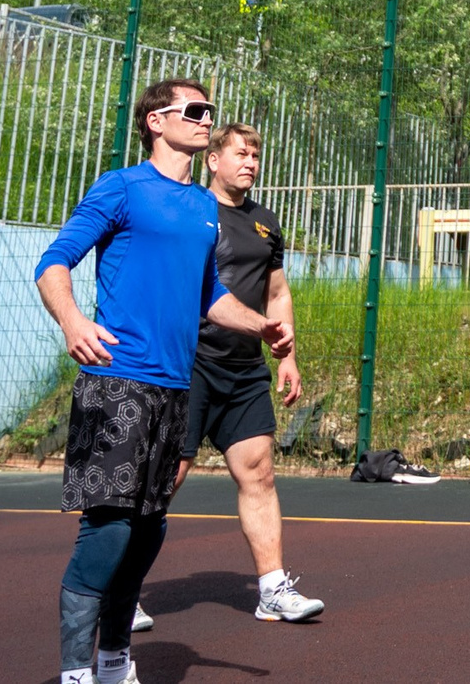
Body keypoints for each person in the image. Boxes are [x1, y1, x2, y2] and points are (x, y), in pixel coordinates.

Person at [35, 80, 285, 684]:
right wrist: (73, 321)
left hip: (175, 389)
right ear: (155, 121)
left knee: (148, 530)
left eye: (209, 112)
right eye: (194, 111)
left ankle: (114, 661)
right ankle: (75, 671)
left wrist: (262, 326)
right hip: (118, 382)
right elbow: (53, 262)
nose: (206, 120)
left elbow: (209, 294)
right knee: (109, 529)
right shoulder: (121, 187)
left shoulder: (203, 207)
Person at [168, 124, 322, 625]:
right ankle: (123, 593)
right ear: (213, 160)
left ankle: (272, 590)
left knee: (259, 472)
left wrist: (288, 357)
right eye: (241, 153)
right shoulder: (189, 211)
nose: (251, 163)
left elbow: (277, 293)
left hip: (245, 369)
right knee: (168, 476)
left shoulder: (265, 222)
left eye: (256, 155)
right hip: (190, 363)